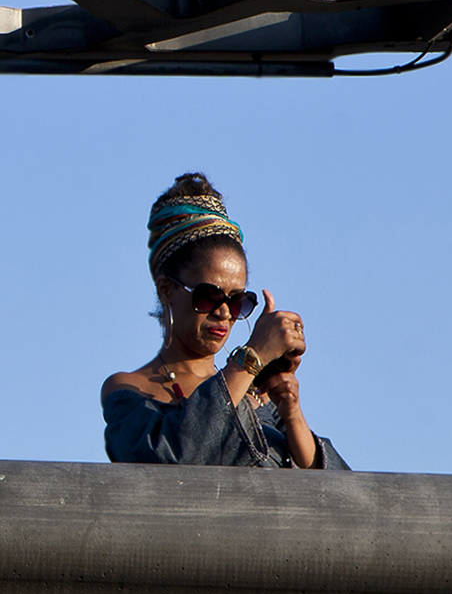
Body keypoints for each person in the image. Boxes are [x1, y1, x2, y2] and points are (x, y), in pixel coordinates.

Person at [101, 172, 349, 469]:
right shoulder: (128, 390)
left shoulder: (257, 396)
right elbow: (172, 458)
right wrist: (251, 357)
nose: (224, 312)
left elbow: (340, 491)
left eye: (238, 301)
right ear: (166, 290)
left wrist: (289, 410)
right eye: (207, 296)